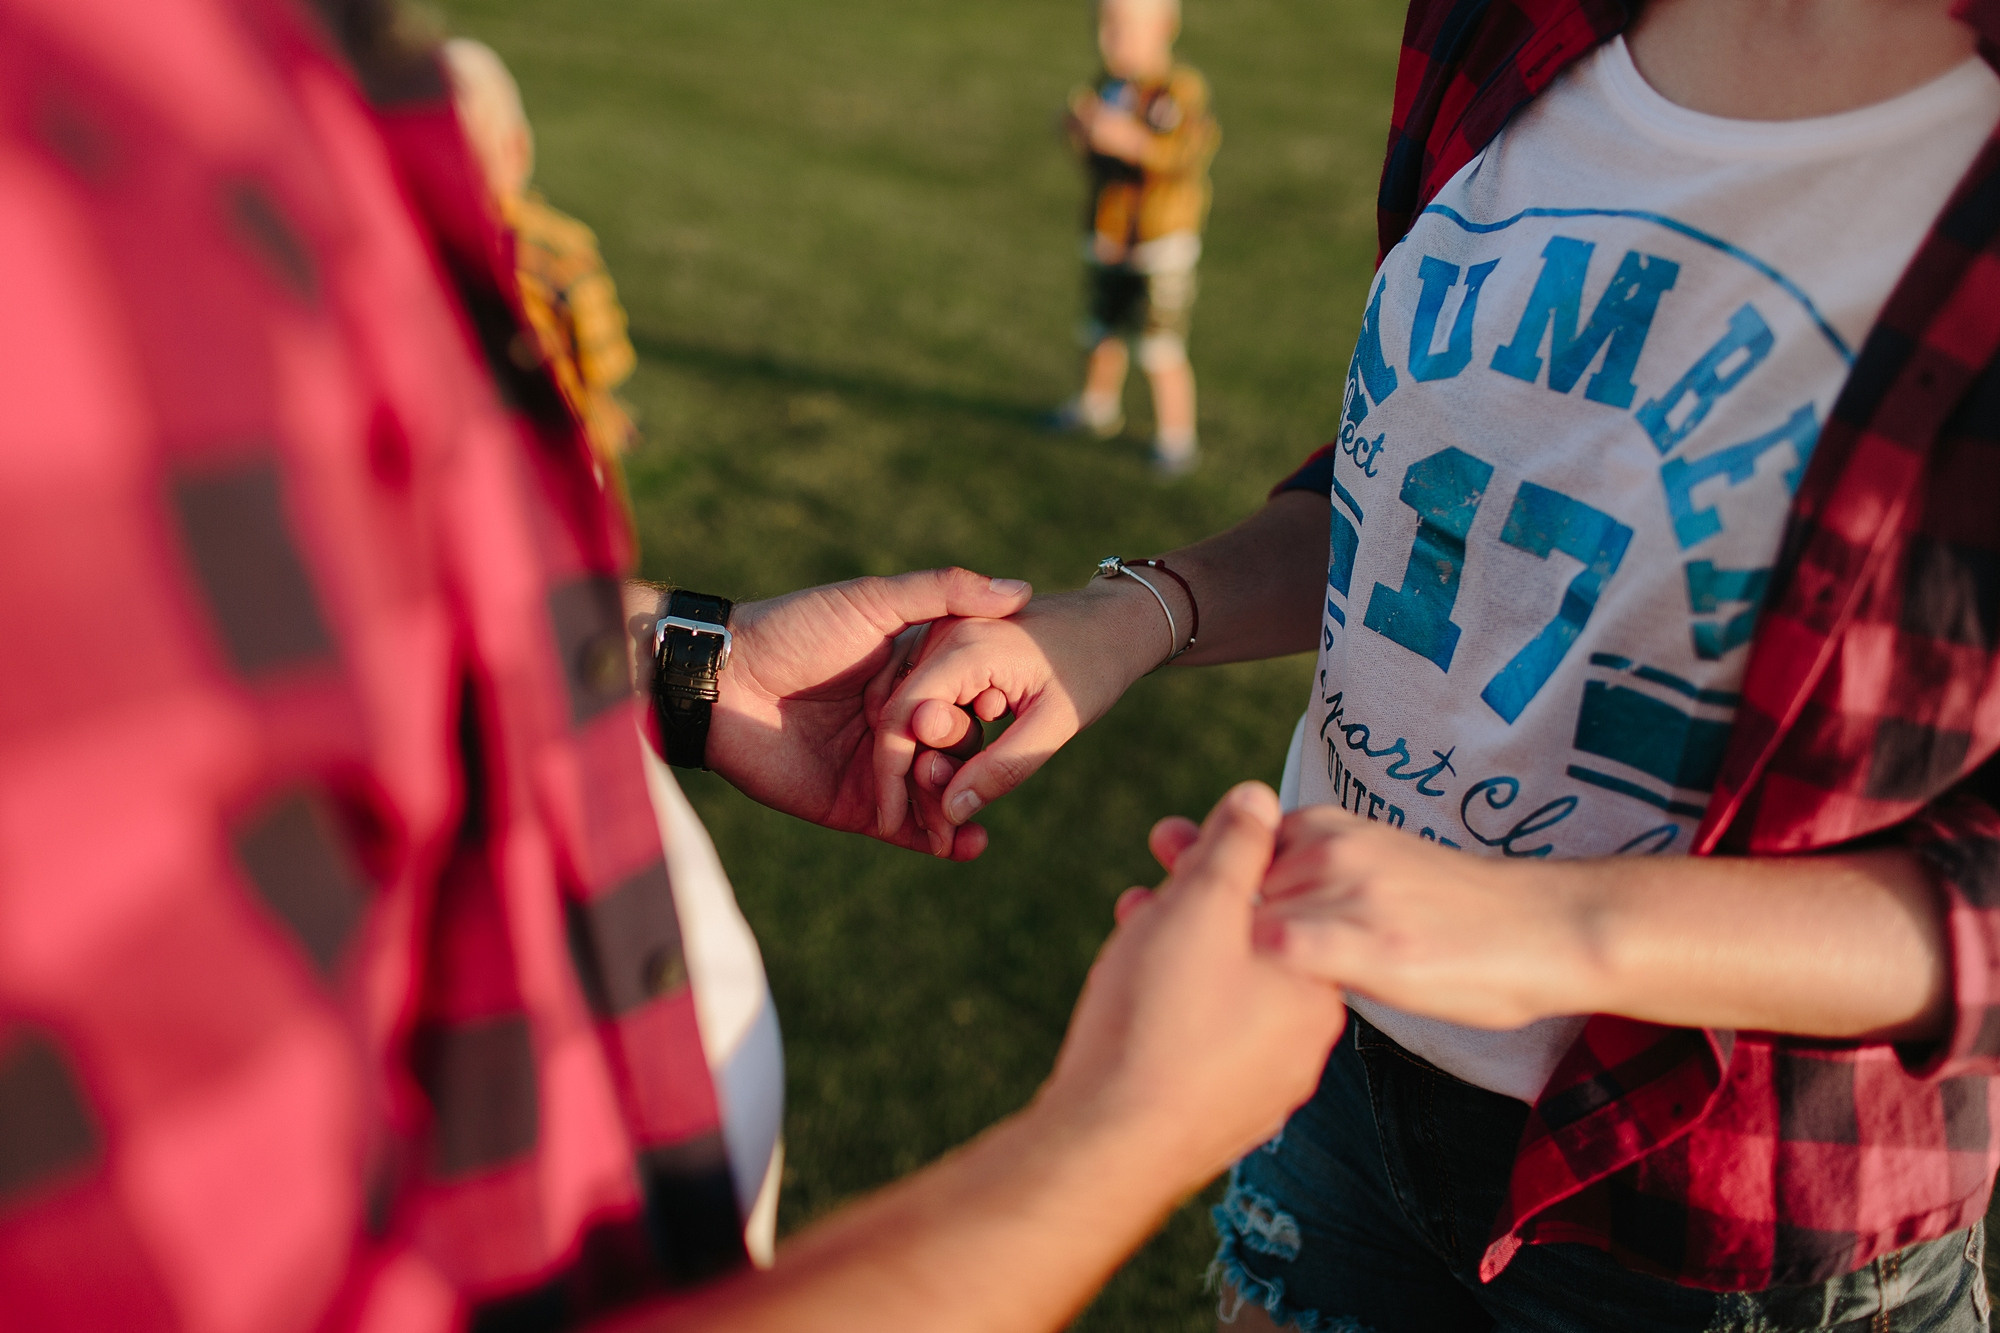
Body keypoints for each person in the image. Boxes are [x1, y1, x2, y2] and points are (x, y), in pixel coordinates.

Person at [0, 1, 1347, 1330]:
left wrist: (685, 664)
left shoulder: (240, 79)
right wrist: (1115, 1140)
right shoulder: (61, 199)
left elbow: (336, 613)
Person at [875, 0, 2000, 1327]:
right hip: (1323, 1046)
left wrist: (1540, 929)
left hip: (1718, 1202)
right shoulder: (1500, 22)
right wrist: (1135, 616)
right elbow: (1422, 469)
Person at [443, 35, 641, 479]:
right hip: (557, 444)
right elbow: (602, 361)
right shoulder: (558, 248)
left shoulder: (423, 248)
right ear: (517, 148)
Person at [1047, 0, 1218, 477]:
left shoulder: (1178, 90)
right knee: (1101, 329)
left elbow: (1185, 153)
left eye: (1124, 29)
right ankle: (1095, 405)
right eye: (1105, 27)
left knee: (1158, 344)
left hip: (1159, 245)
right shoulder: (1107, 85)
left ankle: (1176, 438)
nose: (1110, 41)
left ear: (1166, 28)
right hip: (1111, 234)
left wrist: (1127, 140)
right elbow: (1100, 163)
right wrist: (1080, 133)